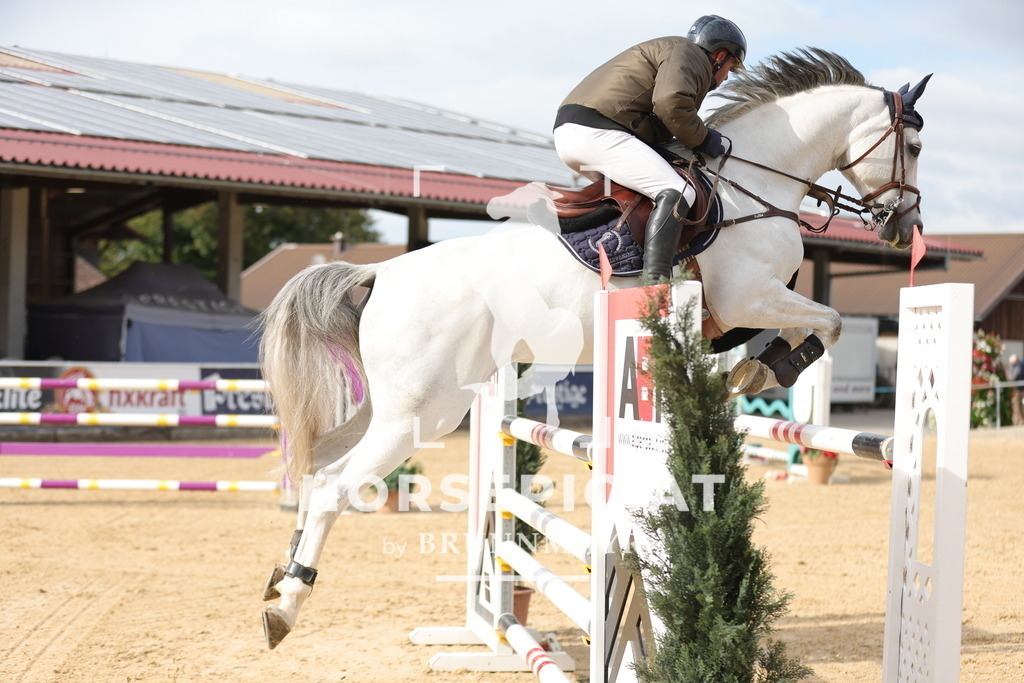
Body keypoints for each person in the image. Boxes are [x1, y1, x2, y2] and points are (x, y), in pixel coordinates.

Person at [553, 15, 747, 282]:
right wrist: (705, 140)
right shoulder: (688, 53)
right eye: (731, 67)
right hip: (598, 132)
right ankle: (655, 283)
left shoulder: (674, 52)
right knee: (679, 192)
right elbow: (670, 104)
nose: (726, 77)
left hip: (576, 133)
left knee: (643, 198)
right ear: (719, 55)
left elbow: (659, 120)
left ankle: (622, 261)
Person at [1010, 353, 1024, 426]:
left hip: (1019, 390)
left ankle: (1018, 422)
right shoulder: (1022, 364)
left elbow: (1014, 377)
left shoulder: (1018, 366)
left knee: (1017, 406)